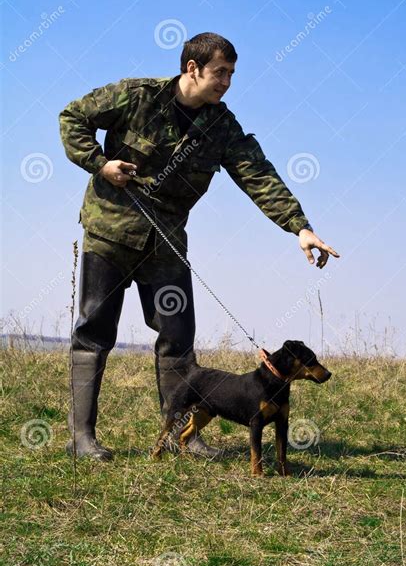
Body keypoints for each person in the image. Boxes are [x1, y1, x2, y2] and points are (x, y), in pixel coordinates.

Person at [59, 32, 339, 461]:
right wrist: (101, 163)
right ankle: (82, 439)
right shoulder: (137, 96)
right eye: (220, 72)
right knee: (94, 334)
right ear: (192, 68)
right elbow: (72, 117)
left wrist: (299, 227)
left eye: (232, 74)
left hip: (166, 246)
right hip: (108, 236)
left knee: (177, 336)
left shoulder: (221, 126)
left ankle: (179, 436)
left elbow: (258, 175)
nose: (227, 81)